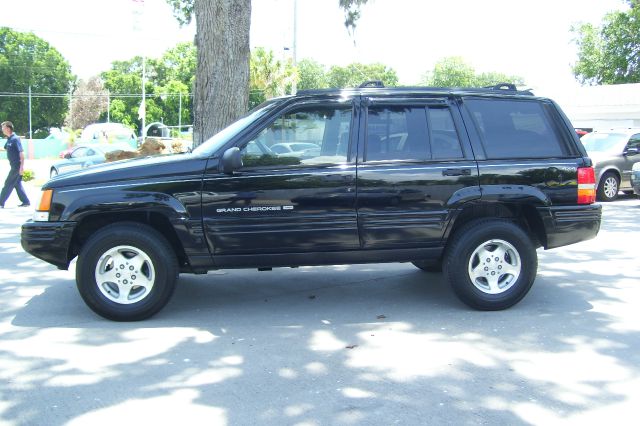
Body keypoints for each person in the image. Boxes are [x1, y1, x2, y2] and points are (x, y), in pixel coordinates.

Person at [0, 121, 30, 208]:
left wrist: (21, 167)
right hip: (13, 166)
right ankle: (26, 202)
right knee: (17, 184)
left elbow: (21, 153)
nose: (2, 130)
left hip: (17, 166)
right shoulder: (9, 139)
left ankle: (1, 202)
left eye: (3, 128)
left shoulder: (15, 139)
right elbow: (5, 149)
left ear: (8, 129)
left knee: (8, 184)